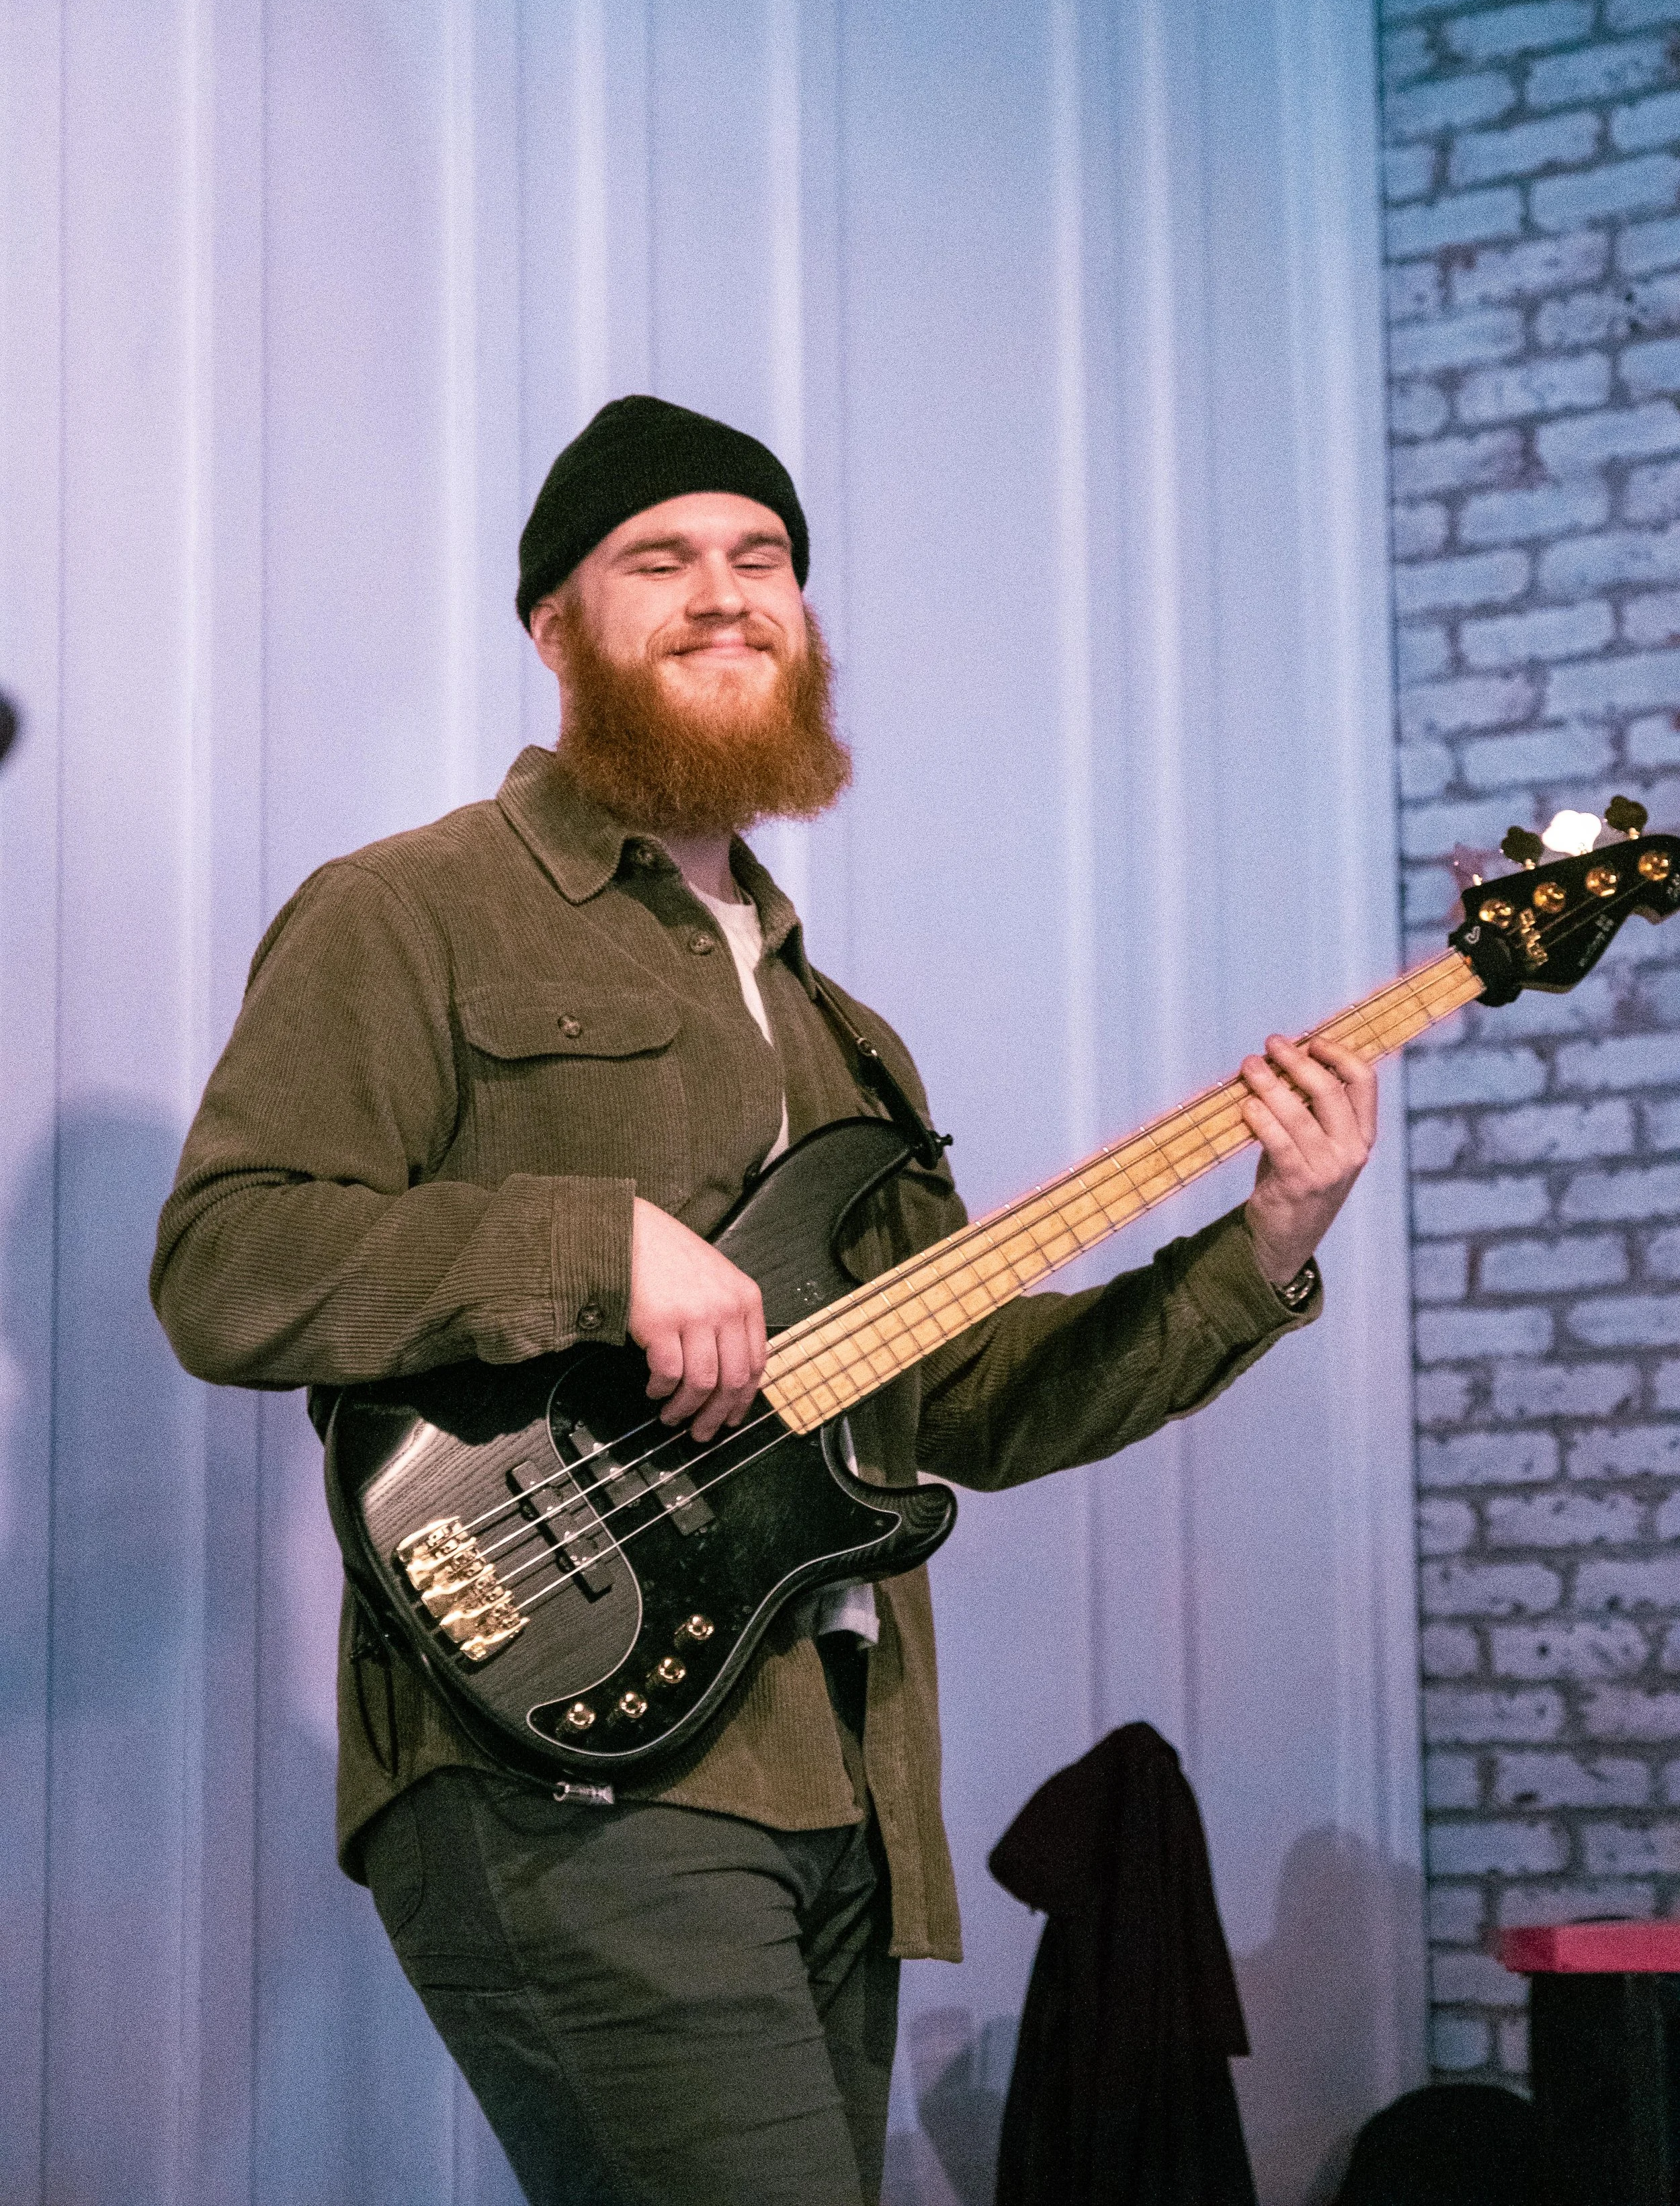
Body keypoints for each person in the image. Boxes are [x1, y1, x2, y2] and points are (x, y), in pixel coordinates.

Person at [151, 394, 1378, 2206]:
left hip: (838, 1786)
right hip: (558, 1757)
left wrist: (1264, 1244)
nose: (727, 596)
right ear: (555, 626)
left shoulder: (841, 1034)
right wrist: (597, 1242)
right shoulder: (408, 912)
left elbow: (974, 1404)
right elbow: (226, 1263)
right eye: (661, 559)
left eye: (763, 560)